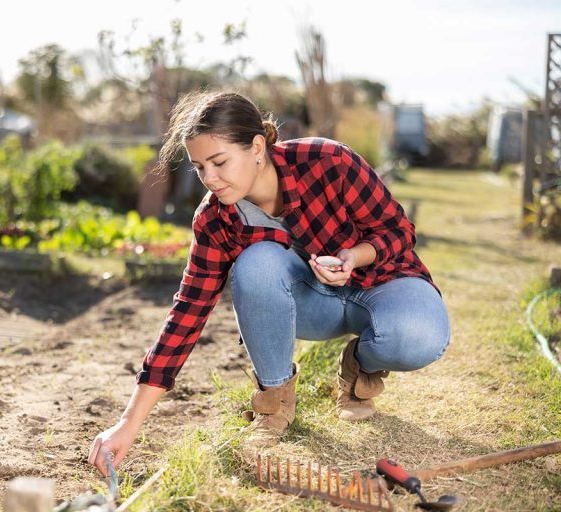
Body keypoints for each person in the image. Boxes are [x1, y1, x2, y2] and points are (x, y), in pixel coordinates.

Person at [88, 91, 450, 475]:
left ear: (257, 147)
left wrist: (354, 256)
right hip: (313, 306)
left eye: (219, 162)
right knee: (255, 262)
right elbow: (188, 312)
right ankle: (275, 400)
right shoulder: (215, 221)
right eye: (199, 168)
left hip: (383, 281)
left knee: (420, 337)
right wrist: (129, 423)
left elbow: (399, 230)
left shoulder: (329, 162)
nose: (210, 179)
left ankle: (360, 366)